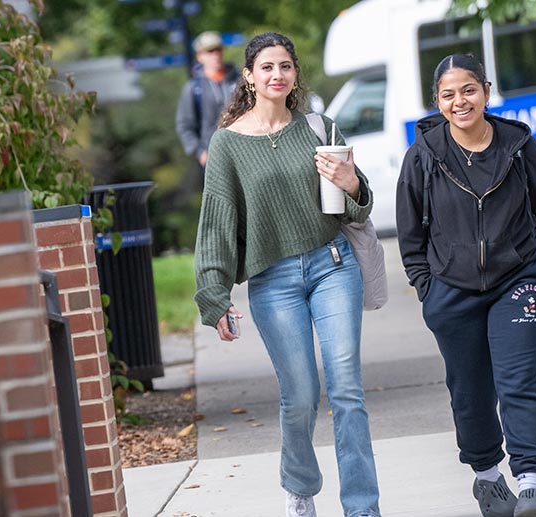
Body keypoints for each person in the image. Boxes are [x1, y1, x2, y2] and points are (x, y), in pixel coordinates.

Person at [395, 53, 536, 517]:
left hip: (518, 278)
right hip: (450, 289)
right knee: (469, 391)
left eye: (468, 90)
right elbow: (410, 231)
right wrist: (426, 286)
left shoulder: (519, 146)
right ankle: (487, 477)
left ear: (486, 90)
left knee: (521, 382)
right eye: (448, 94)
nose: (459, 101)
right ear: (437, 101)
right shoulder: (423, 156)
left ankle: (531, 484)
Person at [194, 32, 380, 517]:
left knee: (346, 389)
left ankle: (362, 508)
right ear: (250, 77)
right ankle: (300, 487)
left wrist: (353, 183)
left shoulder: (319, 127)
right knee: (300, 395)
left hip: (333, 266)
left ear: (295, 74)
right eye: (268, 67)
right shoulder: (227, 145)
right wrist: (213, 296)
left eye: (286, 66)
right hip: (273, 283)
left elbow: (358, 211)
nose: (278, 75)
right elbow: (216, 221)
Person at [175, 31, 240, 202]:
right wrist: (200, 153)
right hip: (214, 160)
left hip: (245, 153)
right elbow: (184, 125)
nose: (215, 55)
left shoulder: (241, 80)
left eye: (218, 49)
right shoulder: (193, 88)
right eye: (209, 51)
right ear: (199, 56)